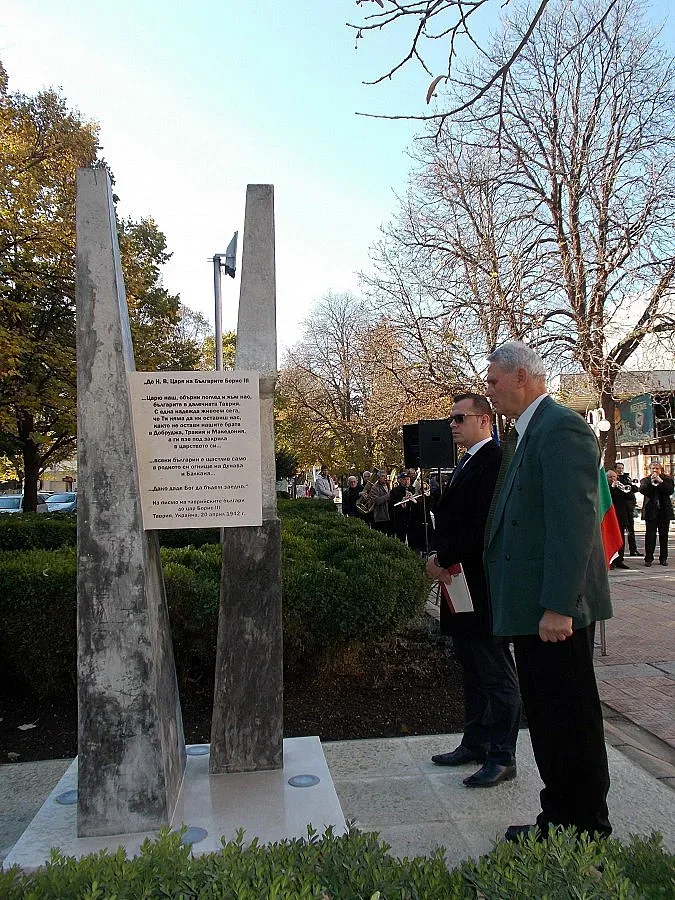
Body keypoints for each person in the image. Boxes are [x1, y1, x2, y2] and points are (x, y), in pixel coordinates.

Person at [484, 341, 613, 842]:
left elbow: (573, 525)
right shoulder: (529, 432)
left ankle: (583, 826)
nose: (489, 391)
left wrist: (559, 605)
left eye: (493, 381)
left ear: (521, 377)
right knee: (549, 720)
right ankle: (559, 816)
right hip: (536, 611)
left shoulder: (559, 428)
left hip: (556, 615)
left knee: (569, 720)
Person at [427, 393, 521, 788]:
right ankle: (476, 742)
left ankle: (502, 755)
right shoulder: (466, 461)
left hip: (480, 583)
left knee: (494, 670)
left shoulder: (495, 461)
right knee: (470, 665)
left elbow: (480, 524)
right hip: (458, 581)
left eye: (459, 418)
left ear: (484, 420)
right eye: (450, 418)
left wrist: (441, 557)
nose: (452, 425)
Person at [639, 462, 674, 567]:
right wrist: (652, 482)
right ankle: (648, 558)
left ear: (661, 469)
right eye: (653, 468)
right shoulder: (645, 480)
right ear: (650, 469)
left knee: (664, 536)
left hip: (664, 512)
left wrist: (661, 482)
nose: (655, 470)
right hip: (651, 512)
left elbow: (670, 491)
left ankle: (663, 558)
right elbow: (644, 491)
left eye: (657, 468)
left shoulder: (667, 480)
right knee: (650, 536)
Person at [605, 470, 632, 570]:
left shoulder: (621, 486)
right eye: (610, 477)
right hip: (610, 516)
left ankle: (620, 560)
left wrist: (623, 489)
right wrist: (612, 488)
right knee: (611, 538)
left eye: (614, 477)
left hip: (621, 516)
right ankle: (611, 561)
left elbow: (630, 496)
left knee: (621, 539)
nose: (613, 479)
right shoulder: (605, 488)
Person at [615, 462, 640, 556]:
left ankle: (633, 549)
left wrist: (630, 485)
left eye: (622, 468)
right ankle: (619, 553)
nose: (621, 470)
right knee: (621, 531)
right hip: (620, 509)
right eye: (618, 468)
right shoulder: (615, 479)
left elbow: (635, 489)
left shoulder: (627, 478)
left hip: (629, 507)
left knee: (631, 530)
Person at [389, 470, 414, 543]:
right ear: (400, 480)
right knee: (401, 539)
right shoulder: (395, 491)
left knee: (412, 539)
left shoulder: (413, 489)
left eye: (408, 479)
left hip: (411, 518)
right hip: (400, 517)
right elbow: (391, 503)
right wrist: (401, 501)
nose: (407, 482)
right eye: (404, 479)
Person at [369, 470, 392, 534]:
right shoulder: (375, 488)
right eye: (383, 476)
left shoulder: (389, 485)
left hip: (390, 515)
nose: (385, 478)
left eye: (386, 476)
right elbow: (377, 501)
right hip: (381, 517)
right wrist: (389, 495)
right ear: (378, 478)